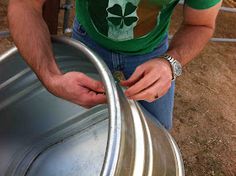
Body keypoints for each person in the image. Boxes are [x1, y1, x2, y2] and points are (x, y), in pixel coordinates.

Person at [8, 0, 222, 129]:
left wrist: (170, 63)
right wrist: (51, 76)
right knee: (78, 122)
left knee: (157, 129)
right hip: (88, 40)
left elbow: (200, 24)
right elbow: (25, 4)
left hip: (152, 51)